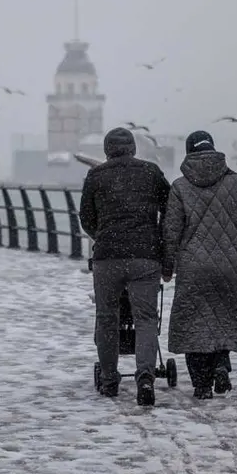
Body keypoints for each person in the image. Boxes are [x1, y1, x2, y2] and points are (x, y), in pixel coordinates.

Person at [79, 127, 171, 406]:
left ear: (107, 150)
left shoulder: (96, 176)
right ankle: (146, 378)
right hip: (145, 257)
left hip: (107, 258)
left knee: (107, 318)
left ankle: (109, 380)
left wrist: (104, 236)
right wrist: (156, 238)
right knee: (146, 319)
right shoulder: (151, 172)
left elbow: (86, 217)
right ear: (133, 148)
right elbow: (170, 208)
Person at [162, 130, 237, 399]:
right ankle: (221, 366)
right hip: (229, 265)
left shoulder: (180, 186)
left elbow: (171, 232)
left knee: (194, 324)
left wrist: (167, 267)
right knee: (223, 319)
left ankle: (202, 386)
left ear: (189, 152)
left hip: (193, 267)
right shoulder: (234, 181)